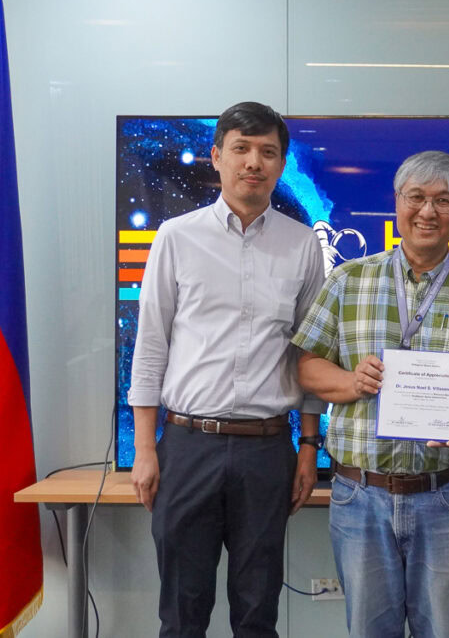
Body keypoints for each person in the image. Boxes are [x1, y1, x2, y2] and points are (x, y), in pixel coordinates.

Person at [291, 150, 449, 638]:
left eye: (443, 200)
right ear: (396, 203)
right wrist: (352, 382)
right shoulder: (347, 280)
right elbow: (306, 365)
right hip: (361, 496)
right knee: (368, 631)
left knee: (445, 631)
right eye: (416, 197)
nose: (427, 211)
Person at [127, 101, 326, 637]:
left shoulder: (302, 245)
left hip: (267, 450)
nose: (253, 162)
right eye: (241, 149)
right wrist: (145, 449)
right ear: (217, 157)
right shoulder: (176, 237)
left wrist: (309, 447)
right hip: (187, 446)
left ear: (280, 164)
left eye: (267, 152)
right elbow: (150, 346)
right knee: (182, 611)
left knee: (258, 611)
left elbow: (310, 355)